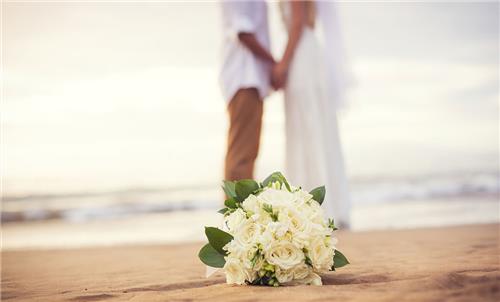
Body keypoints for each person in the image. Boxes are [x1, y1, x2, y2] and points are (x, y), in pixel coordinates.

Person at [273, 1, 351, 228]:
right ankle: (324, 204)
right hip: (308, 54)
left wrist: (282, 64)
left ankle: (312, 208)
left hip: (301, 57)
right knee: (314, 129)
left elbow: (298, 23)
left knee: (305, 130)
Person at [220, 1, 275, 182]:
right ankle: (237, 209)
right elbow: (242, 31)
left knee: (247, 152)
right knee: (242, 155)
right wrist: (273, 65)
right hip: (244, 75)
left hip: (249, 76)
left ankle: (240, 208)